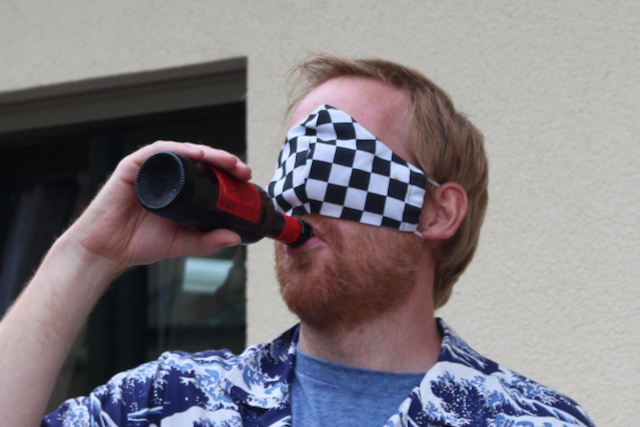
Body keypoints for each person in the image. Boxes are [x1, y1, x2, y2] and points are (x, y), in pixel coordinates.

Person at [0, 54, 595, 427]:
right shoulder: (168, 400)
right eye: (290, 162)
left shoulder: (531, 421)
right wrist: (87, 254)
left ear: (438, 213)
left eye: (338, 160)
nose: (297, 195)